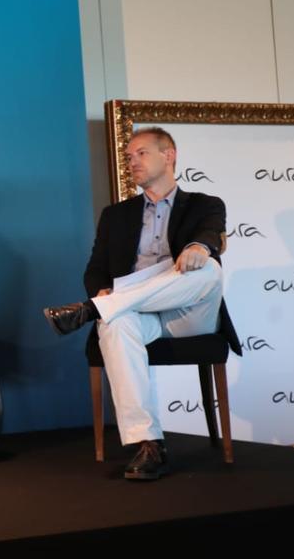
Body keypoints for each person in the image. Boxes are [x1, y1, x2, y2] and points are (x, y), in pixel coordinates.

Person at [43, 127, 240, 481]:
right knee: (114, 322)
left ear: (170, 155)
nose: (132, 161)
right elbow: (96, 269)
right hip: (141, 314)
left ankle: (90, 310)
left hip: (189, 313)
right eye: (129, 156)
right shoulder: (115, 215)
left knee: (207, 268)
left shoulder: (204, 204)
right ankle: (149, 444)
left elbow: (211, 231)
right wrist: (102, 291)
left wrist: (200, 247)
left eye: (141, 153)